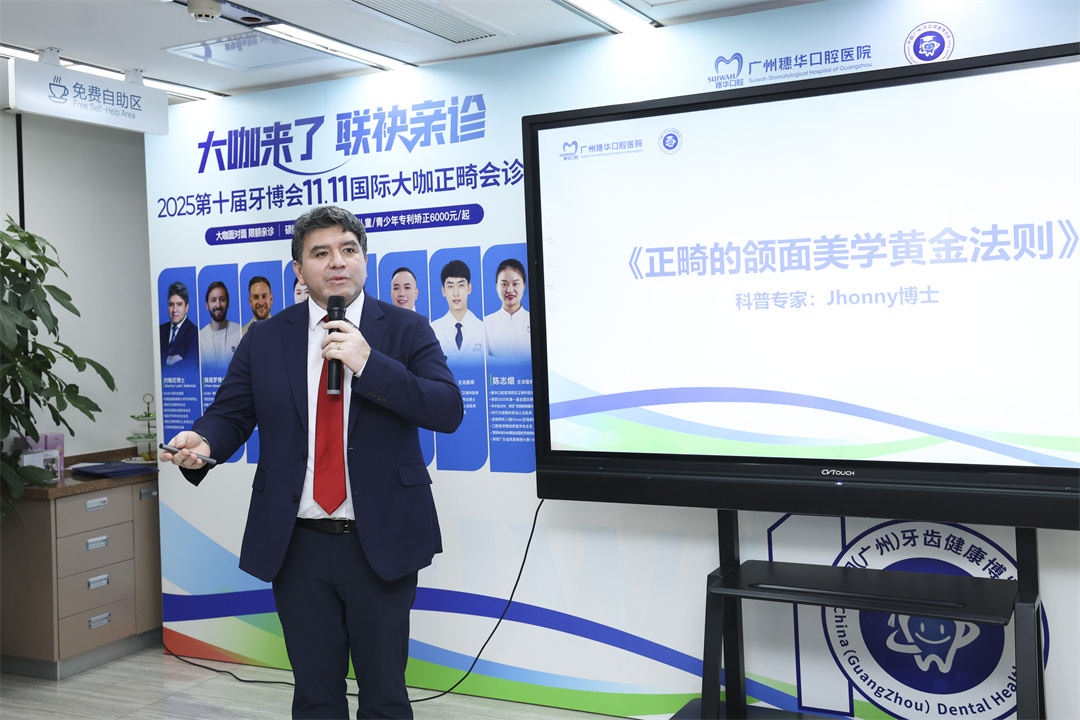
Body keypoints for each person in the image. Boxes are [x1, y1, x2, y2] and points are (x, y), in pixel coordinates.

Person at [162, 205, 463, 720]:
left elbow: (446, 409)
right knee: (315, 696)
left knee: (385, 696)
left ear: (364, 259)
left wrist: (368, 363)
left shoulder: (406, 329)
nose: (337, 261)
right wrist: (203, 443)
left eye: (348, 249)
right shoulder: (265, 337)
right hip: (296, 542)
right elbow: (230, 415)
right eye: (321, 253)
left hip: (380, 540)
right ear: (299, 270)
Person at [430, 260, 484, 360]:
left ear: (469, 288)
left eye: (461, 285)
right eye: (450, 286)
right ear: (443, 291)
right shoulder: (433, 330)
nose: (456, 293)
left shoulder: (483, 330)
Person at [484, 258, 530, 359]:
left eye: (515, 284)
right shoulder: (486, 324)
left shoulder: (532, 320)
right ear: (497, 286)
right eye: (504, 284)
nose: (510, 290)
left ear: (524, 285)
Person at [199, 281, 242, 371]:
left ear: (228, 303)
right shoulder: (200, 338)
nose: (218, 305)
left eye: (222, 299)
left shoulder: (240, 332)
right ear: (207, 305)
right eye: (213, 300)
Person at [159, 281, 198, 369]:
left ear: (186, 307)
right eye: (171, 305)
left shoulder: (195, 334)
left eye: (179, 304)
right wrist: (167, 360)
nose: (174, 310)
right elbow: (149, 358)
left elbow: (185, 369)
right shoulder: (159, 330)